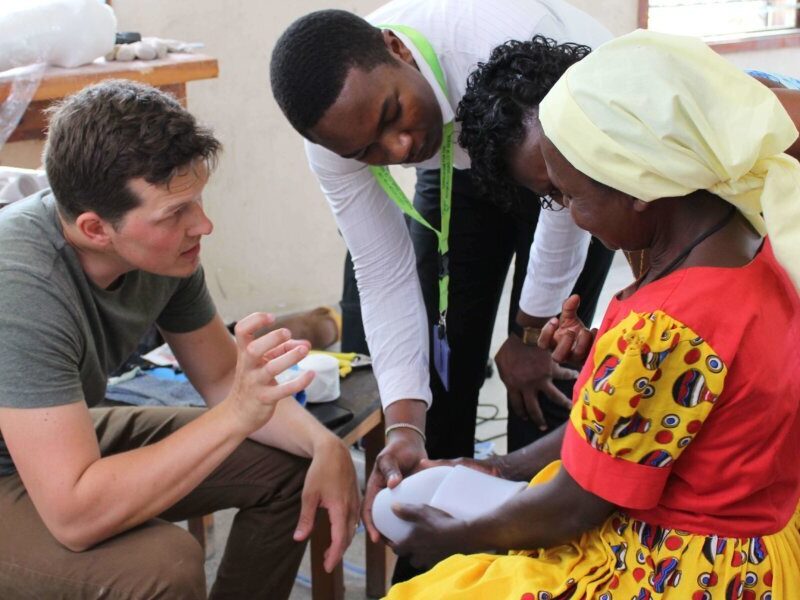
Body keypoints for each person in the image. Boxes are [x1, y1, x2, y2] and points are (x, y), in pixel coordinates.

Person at [381, 30, 800, 598]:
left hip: (688, 566)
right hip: (760, 542)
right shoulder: (759, 240)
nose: (572, 217)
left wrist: (458, 537)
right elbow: (682, 400)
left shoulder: (663, 327)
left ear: (639, 186)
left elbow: (575, 506)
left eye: (572, 196)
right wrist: (609, 359)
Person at [269, 3, 615, 577]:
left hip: (569, 154)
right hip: (459, 166)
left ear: (398, 49)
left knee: (545, 374)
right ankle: (437, 561)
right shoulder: (337, 139)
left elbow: (563, 205)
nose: (399, 147)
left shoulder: (498, 36)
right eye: (369, 151)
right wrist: (403, 426)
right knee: (436, 372)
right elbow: (381, 271)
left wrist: (528, 331)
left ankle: (539, 562)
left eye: (392, 115)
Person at [0, 80, 359, 599]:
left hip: (44, 444)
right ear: (96, 229)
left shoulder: (165, 253)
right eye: (175, 214)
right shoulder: (21, 285)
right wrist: (237, 415)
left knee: (290, 465)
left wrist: (324, 444)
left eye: (196, 202)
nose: (203, 225)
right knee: (164, 567)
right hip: (24, 471)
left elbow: (218, 376)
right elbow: (75, 516)